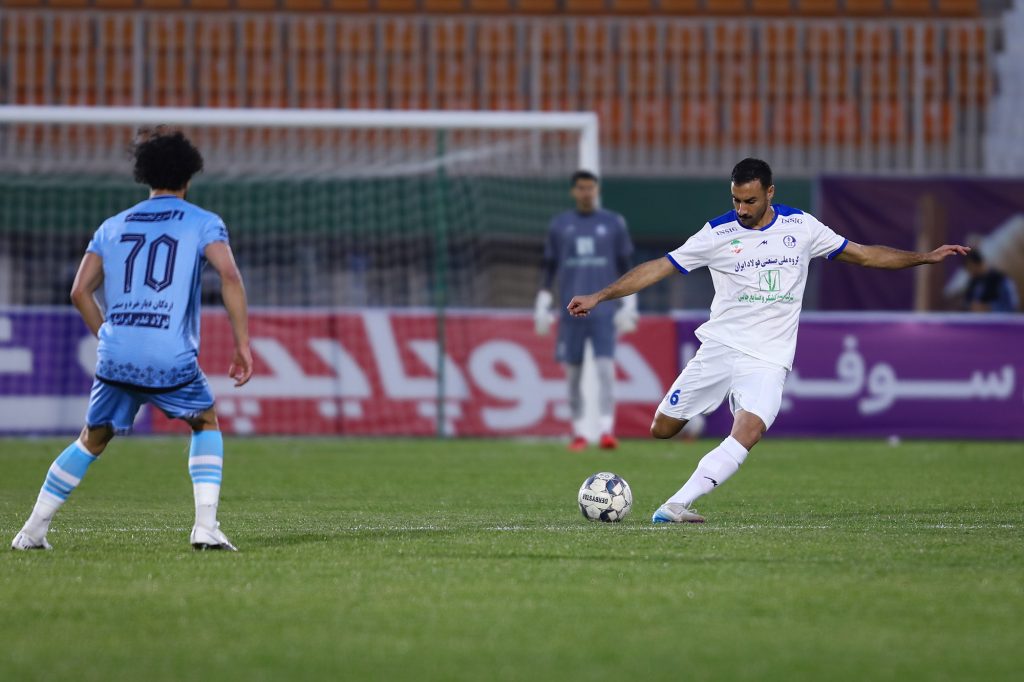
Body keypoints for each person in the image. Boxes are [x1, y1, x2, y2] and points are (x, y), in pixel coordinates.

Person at [567, 158, 969, 523]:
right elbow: (660, 267)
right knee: (662, 428)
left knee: (749, 431)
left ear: (770, 193)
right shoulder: (717, 233)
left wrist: (924, 257)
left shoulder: (802, 227)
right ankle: (704, 414)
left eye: (750, 201)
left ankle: (675, 505)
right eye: (736, 200)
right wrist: (600, 296)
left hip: (768, 358)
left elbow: (864, 255)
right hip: (721, 347)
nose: (742, 209)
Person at [11, 128, 253, 551]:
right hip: (168, 353)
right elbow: (229, 276)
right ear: (189, 177)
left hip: (116, 355)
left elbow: (79, 292)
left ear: (145, 176)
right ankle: (205, 526)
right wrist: (242, 345)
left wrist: (107, 334)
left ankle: (31, 531)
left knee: (92, 438)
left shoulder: (112, 226)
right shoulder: (204, 222)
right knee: (204, 421)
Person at [535, 170, 636, 451]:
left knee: (605, 370)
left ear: (597, 190)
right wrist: (542, 302)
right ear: (573, 191)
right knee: (573, 374)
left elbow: (626, 264)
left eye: (590, 188)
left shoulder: (613, 223)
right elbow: (549, 267)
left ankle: (606, 430)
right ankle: (579, 432)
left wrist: (630, 304)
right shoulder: (560, 225)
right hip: (570, 311)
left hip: (603, 311)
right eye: (581, 188)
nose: (586, 193)